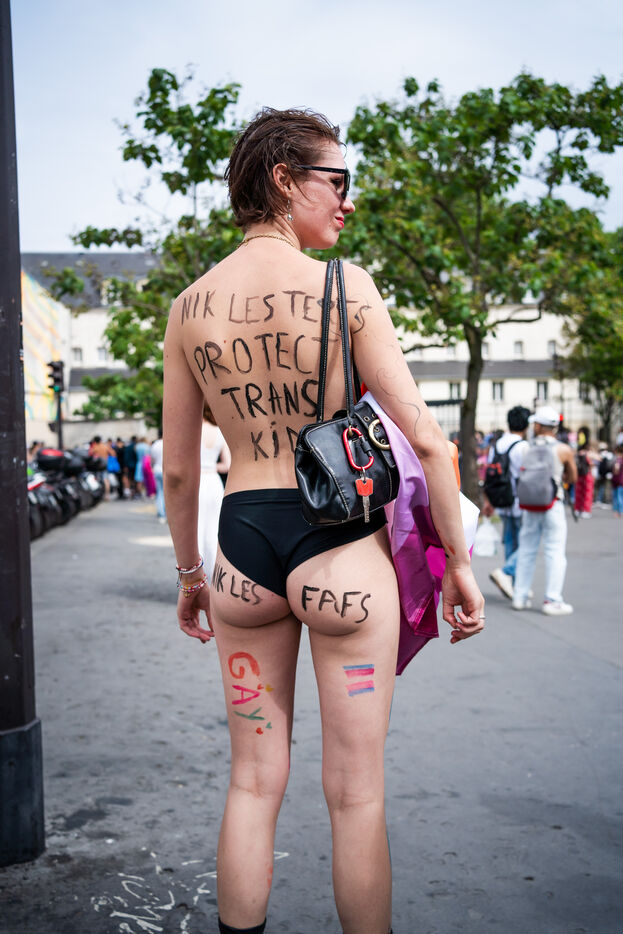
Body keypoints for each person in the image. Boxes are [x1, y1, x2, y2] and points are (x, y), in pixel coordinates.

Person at [162, 107, 484, 934]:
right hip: (340, 550)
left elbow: (179, 469)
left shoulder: (188, 307)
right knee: (356, 793)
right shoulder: (346, 286)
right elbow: (426, 438)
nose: (348, 201)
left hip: (241, 550)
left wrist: (191, 576)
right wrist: (457, 562)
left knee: (250, 782)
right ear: (283, 179)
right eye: (335, 181)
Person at [512, 406, 577, 615]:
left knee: (526, 550)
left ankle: (520, 596)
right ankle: (552, 599)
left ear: (538, 426)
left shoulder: (525, 448)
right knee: (554, 551)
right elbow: (573, 476)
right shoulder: (563, 449)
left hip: (529, 505)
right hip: (552, 504)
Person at [484, 406, 531, 600]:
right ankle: (506, 573)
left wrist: (488, 500)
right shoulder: (523, 446)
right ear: (526, 425)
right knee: (527, 543)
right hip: (520, 501)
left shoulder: (497, 445)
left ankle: (515, 584)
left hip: (502, 500)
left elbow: (489, 473)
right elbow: (527, 474)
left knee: (511, 542)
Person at [197, 405, 231, 577]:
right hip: (214, 482)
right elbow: (227, 465)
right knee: (213, 530)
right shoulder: (219, 432)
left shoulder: (194, 430)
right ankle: (213, 576)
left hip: (197, 482)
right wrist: (211, 466)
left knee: (196, 530)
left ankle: (197, 575)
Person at [574, 441, 597, 518]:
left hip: (579, 475)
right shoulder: (589, 454)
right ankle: (586, 510)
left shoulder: (578, 454)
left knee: (578, 493)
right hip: (587, 475)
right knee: (587, 493)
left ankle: (577, 509)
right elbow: (594, 463)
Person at [150, 432, 166, 522]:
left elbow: (152, 460)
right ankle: (165, 512)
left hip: (157, 469)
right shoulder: (167, 443)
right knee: (166, 492)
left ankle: (161, 513)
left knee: (159, 492)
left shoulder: (155, 445)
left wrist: (152, 467)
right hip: (165, 470)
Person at [611, 444, 623, 517]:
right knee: (620, 496)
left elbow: (616, 469)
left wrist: (614, 471)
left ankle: (619, 511)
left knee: (618, 497)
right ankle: (619, 511)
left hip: (618, 480)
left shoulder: (618, 459)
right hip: (621, 480)